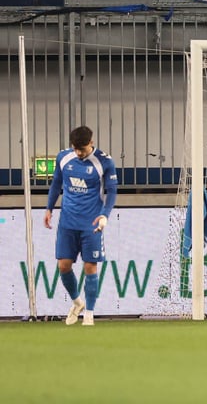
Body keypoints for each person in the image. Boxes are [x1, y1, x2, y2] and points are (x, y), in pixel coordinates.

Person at [43, 126, 118, 326]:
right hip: (67, 222)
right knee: (63, 266)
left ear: (91, 142)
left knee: (90, 266)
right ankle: (77, 303)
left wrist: (105, 215)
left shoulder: (105, 161)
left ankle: (90, 314)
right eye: (75, 148)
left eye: (82, 149)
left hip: (91, 223)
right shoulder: (63, 158)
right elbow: (56, 184)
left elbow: (111, 191)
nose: (78, 152)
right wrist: (49, 208)